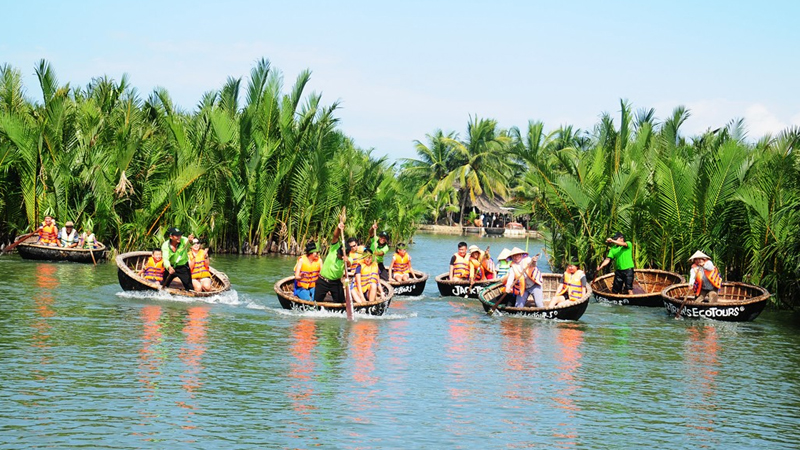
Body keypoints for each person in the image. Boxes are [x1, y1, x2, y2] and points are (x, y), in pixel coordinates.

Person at [315, 221, 348, 303]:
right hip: (323, 280)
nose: (338, 255)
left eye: (341, 254)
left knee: (341, 304)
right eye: (339, 253)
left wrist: (346, 261)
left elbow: (350, 263)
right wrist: (338, 228)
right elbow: (335, 236)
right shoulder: (334, 248)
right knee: (316, 303)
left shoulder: (348, 258)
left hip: (336, 283)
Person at [161, 227, 194, 291]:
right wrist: (169, 267)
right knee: (164, 285)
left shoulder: (184, 240)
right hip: (171, 266)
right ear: (171, 236)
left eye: (180, 235)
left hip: (183, 267)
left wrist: (190, 241)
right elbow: (165, 259)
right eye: (177, 236)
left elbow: (191, 244)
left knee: (189, 287)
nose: (179, 237)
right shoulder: (165, 245)